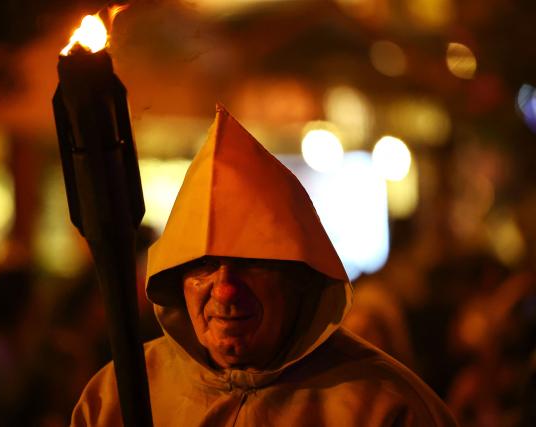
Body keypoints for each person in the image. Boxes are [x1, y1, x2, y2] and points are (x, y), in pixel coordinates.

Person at [71, 105, 458, 426]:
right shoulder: (114, 398)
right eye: (203, 265)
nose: (225, 290)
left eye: (250, 263)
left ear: (298, 276)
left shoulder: (383, 407)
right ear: (176, 278)